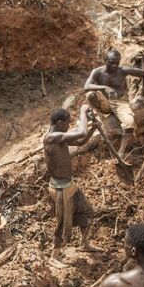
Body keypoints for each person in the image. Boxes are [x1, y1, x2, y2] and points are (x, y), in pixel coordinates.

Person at [43, 105, 102, 268]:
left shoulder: (59, 137)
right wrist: (83, 112)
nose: (69, 126)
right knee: (63, 224)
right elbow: (81, 133)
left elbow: (82, 139)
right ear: (60, 123)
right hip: (61, 188)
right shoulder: (51, 138)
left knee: (88, 211)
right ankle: (53, 257)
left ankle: (84, 243)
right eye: (68, 123)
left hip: (69, 185)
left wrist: (92, 129)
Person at [84, 50, 144, 160]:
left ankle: (121, 151)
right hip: (104, 102)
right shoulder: (97, 72)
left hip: (120, 103)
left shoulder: (122, 71)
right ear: (105, 60)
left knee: (129, 123)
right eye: (111, 62)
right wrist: (104, 87)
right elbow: (86, 86)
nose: (115, 66)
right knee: (90, 94)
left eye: (117, 63)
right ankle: (100, 115)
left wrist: (142, 95)